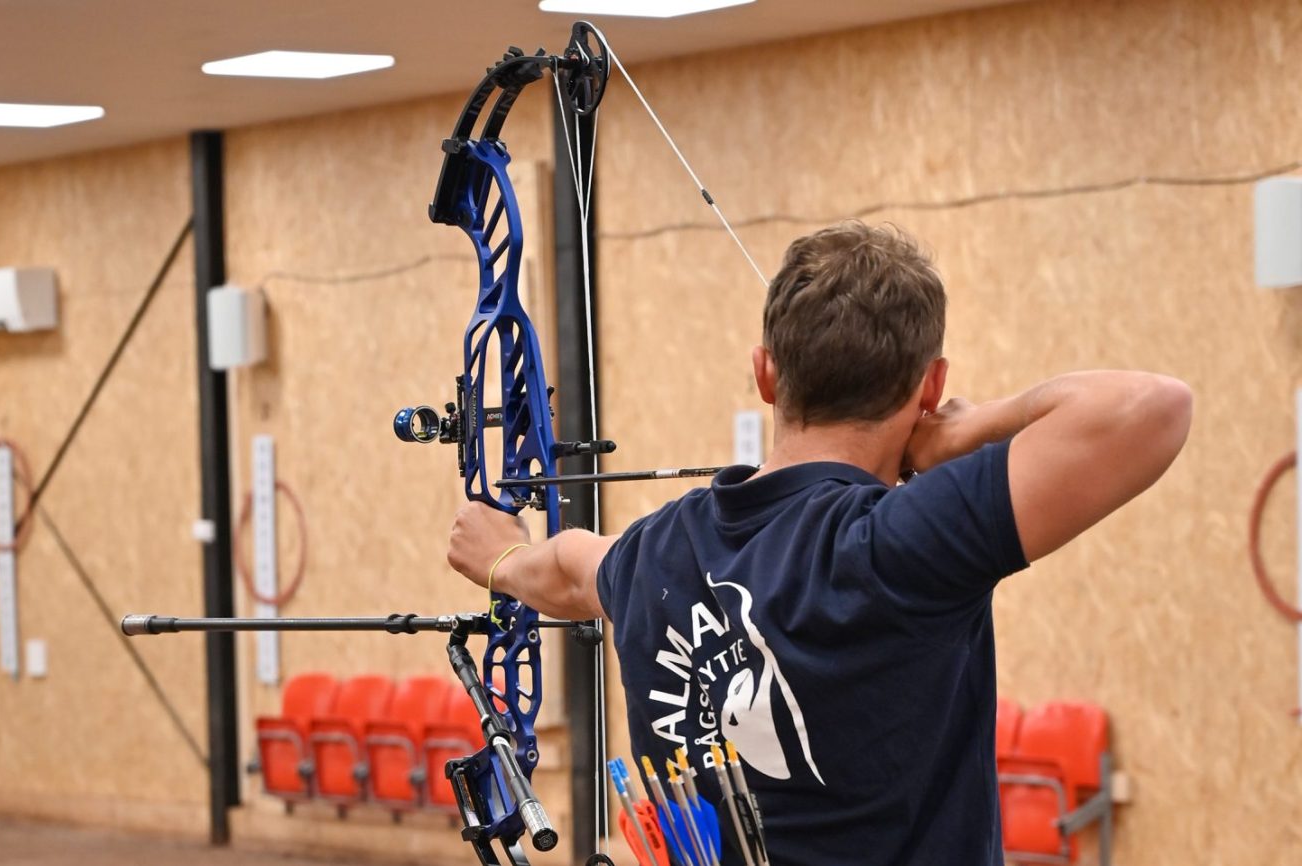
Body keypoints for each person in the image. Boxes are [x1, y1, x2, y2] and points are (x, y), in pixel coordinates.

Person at [446, 221, 1192, 865]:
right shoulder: (896, 544)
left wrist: (502, 558)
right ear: (930, 389)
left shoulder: (656, 553)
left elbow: (572, 565)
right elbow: (1152, 408)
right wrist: (970, 427)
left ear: (765, 374)